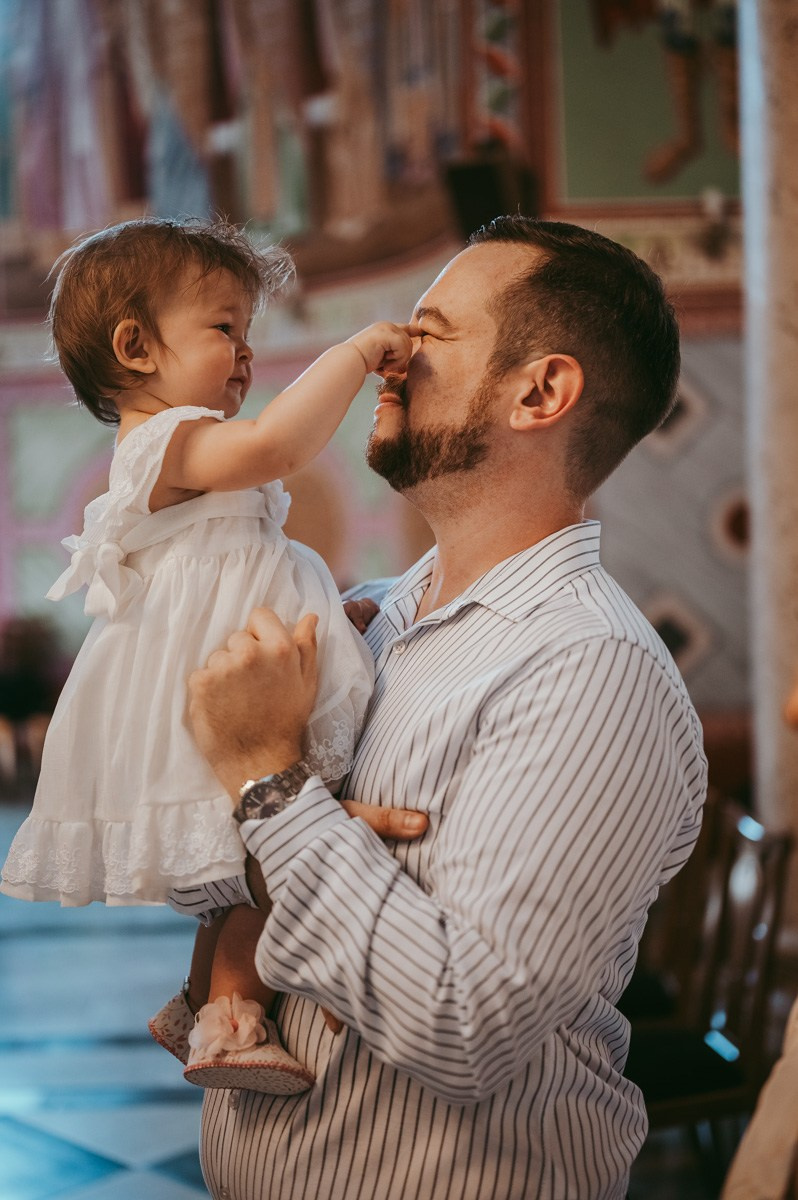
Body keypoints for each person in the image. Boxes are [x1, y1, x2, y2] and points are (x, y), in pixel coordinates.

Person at [185, 216, 708, 1200]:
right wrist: (271, 837)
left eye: (429, 335)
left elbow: (465, 1027)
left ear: (541, 391)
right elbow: (263, 899)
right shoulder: (369, 622)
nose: (389, 355)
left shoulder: (590, 670)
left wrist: (268, 781)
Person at [0, 217, 416, 1096]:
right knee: (260, 862)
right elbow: (277, 447)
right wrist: (350, 354)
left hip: (233, 665)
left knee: (240, 863)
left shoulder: (181, 441)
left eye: (249, 333)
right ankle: (229, 1020)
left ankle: (201, 996)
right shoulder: (163, 441)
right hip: (215, 694)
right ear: (135, 347)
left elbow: (250, 559)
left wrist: (330, 620)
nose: (246, 352)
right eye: (225, 327)